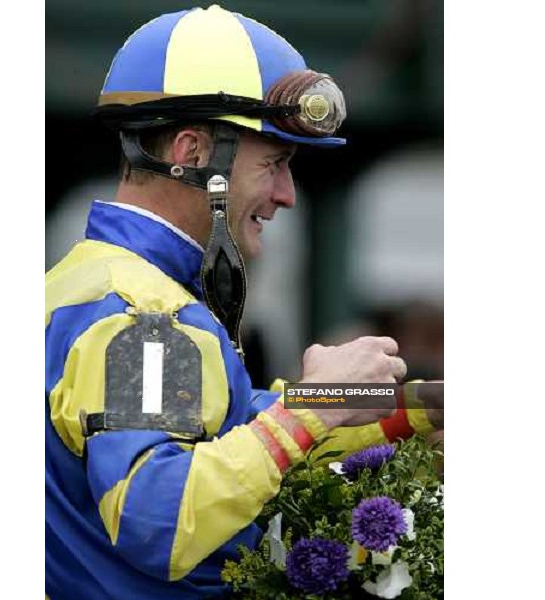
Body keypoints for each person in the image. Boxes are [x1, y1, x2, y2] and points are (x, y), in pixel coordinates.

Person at [45, 5, 443, 599]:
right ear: (190, 151)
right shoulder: (148, 318)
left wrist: (415, 408)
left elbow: (223, 429)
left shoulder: (91, 283)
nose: (286, 195)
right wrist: (311, 414)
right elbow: (161, 518)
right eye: (275, 164)